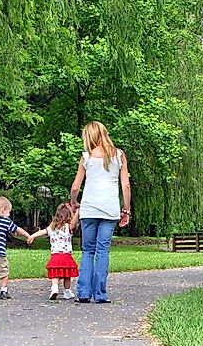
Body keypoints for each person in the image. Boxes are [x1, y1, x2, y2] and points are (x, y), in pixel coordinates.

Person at [70, 121, 131, 304]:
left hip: (89, 209)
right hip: (109, 210)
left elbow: (75, 187)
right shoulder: (119, 155)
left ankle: (83, 293)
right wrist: (126, 209)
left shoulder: (86, 157)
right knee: (103, 250)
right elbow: (126, 185)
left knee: (88, 250)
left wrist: (74, 203)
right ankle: (100, 294)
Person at [28, 202, 80, 300]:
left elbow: (41, 232)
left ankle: (54, 288)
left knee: (55, 274)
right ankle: (67, 291)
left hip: (55, 255)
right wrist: (77, 211)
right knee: (67, 275)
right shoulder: (68, 227)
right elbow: (74, 222)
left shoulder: (51, 228)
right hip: (66, 255)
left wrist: (32, 236)